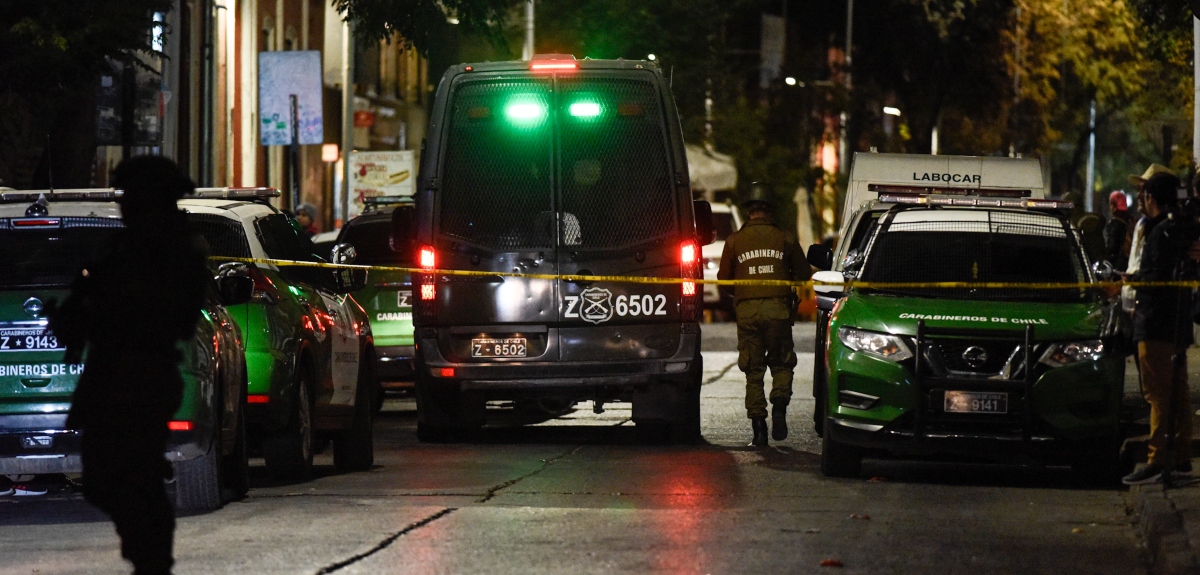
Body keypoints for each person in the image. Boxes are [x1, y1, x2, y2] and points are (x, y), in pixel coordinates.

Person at [49, 156, 210, 574]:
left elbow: (167, 313)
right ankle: (148, 553)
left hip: (142, 375)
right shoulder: (128, 246)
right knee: (111, 477)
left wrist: (102, 306)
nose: (125, 204)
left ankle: (150, 558)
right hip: (115, 373)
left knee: (129, 476)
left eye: (132, 196)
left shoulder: (169, 249)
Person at [717, 182, 812, 446]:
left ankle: (759, 430)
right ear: (771, 208)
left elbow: (723, 279)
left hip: (747, 311)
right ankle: (779, 406)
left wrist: (743, 289)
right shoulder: (785, 238)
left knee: (753, 370)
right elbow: (805, 273)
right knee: (781, 363)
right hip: (778, 309)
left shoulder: (734, 241)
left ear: (747, 210)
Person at [1122, 172, 1199, 485]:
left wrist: (1133, 280)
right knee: (1177, 393)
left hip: (1155, 323)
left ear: (1151, 198)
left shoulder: (1159, 232)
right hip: (1178, 323)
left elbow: (1155, 278)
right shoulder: (1182, 230)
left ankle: (1157, 459)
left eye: (1144, 194)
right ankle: (1180, 457)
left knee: (1158, 394)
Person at [1104, 191, 1133, 271]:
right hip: (1131, 264)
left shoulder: (1114, 224)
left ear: (1113, 206)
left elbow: (1111, 249)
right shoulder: (1131, 220)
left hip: (1119, 267)